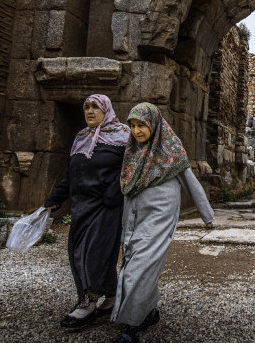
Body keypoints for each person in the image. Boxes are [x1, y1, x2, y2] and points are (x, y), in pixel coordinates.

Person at [112, 103, 215, 343]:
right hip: (133, 217)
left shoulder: (171, 149)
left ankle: (131, 325)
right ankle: (148, 312)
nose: (137, 131)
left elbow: (190, 181)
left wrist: (206, 215)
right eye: (133, 126)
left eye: (142, 125)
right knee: (132, 262)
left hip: (160, 217)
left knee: (140, 266)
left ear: (154, 124)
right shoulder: (132, 152)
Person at [43, 94, 130, 329]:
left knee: (93, 254)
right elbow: (71, 173)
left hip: (106, 207)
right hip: (81, 207)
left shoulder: (122, 135)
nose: (90, 111)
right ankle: (110, 297)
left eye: (95, 107)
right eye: (86, 107)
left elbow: (130, 169)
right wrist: (55, 199)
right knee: (78, 252)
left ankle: (87, 303)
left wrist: (115, 192)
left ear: (106, 109)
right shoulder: (81, 137)